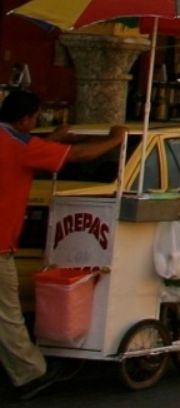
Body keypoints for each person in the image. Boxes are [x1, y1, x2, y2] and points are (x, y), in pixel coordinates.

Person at [0, 92, 124, 399]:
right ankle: (31, 373)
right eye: (35, 118)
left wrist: (54, 138)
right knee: (7, 315)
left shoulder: (15, 142)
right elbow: (79, 156)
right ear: (26, 119)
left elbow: (32, 155)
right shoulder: (19, 146)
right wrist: (116, 140)